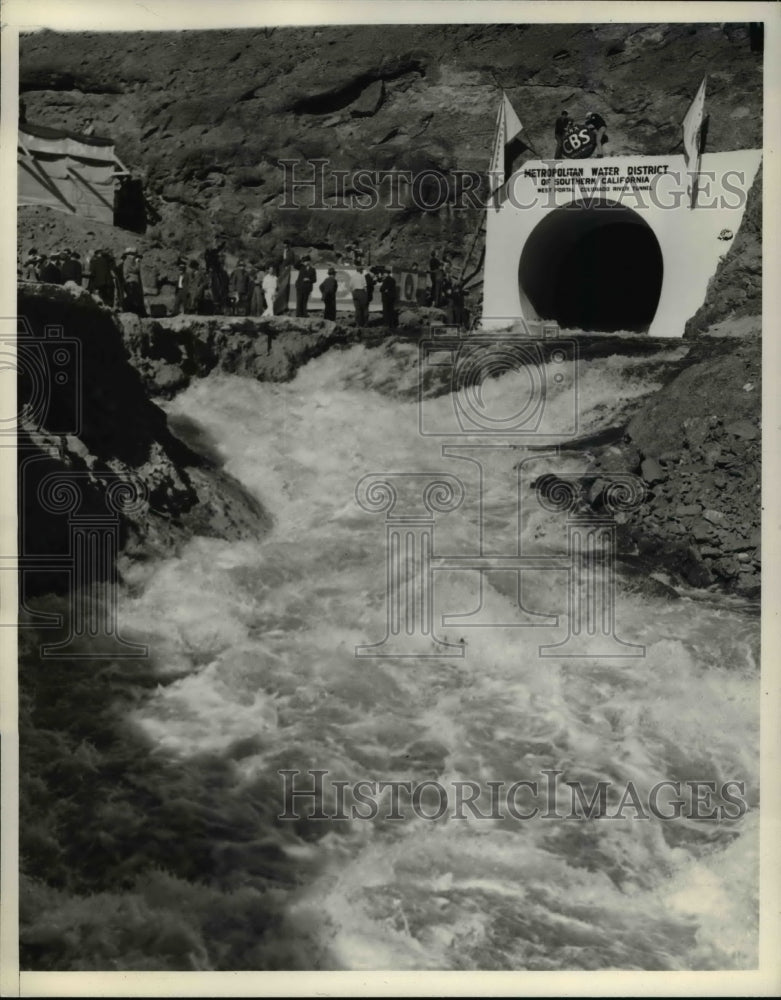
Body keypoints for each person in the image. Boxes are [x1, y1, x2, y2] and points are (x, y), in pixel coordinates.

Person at [121, 247, 146, 316]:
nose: (134, 256)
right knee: (134, 298)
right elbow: (135, 270)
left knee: (134, 297)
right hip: (132, 282)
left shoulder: (128, 261)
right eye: (134, 255)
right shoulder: (128, 261)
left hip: (131, 282)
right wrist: (137, 263)